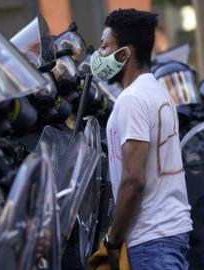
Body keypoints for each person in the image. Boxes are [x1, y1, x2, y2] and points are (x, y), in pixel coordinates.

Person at [90, 8, 193, 269]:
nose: (99, 56)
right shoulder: (158, 92)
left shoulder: (132, 100)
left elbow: (133, 180)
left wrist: (113, 240)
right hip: (167, 234)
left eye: (105, 47)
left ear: (124, 53)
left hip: (150, 241)